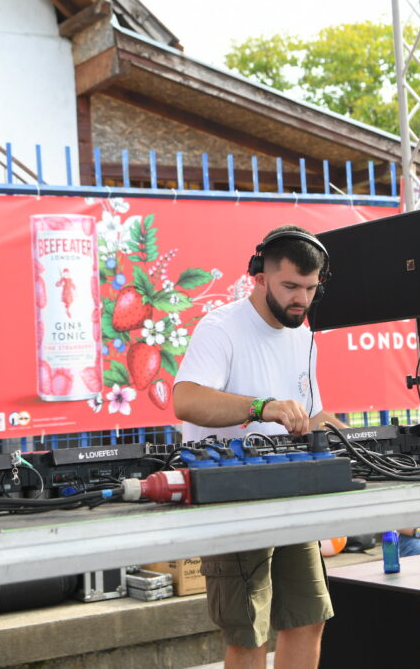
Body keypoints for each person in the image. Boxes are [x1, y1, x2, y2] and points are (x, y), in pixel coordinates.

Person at [173, 225, 346, 669]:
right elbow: (186, 400)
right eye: (290, 286)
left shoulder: (304, 337)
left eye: (310, 288)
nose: (301, 299)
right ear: (259, 277)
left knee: (308, 619)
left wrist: (356, 438)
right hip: (234, 498)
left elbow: (311, 416)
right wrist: (260, 407)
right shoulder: (220, 328)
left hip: (292, 494)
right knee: (249, 634)